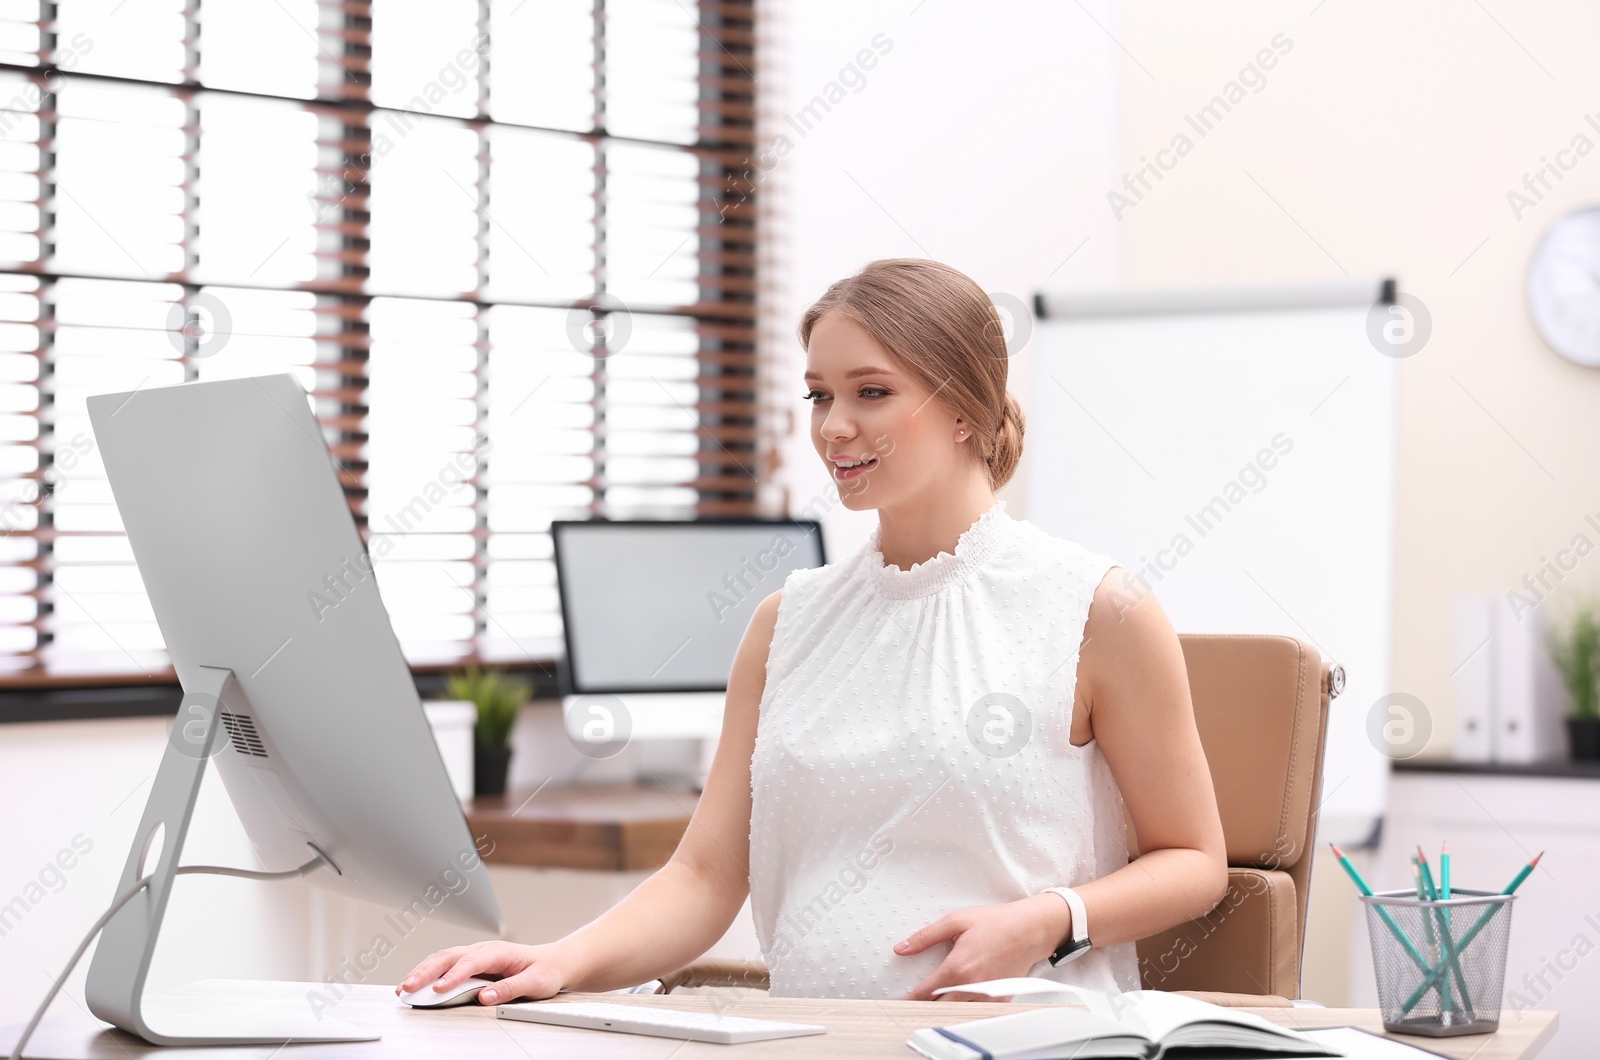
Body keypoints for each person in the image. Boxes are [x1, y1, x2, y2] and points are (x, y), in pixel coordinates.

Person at [398, 257, 1227, 1004]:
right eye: (819, 394)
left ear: (966, 408)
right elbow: (704, 874)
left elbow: (1194, 860)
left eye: (871, 392)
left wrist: (1051, 918)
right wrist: (558, 960)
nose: (833, 426)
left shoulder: (1097, 610)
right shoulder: (785, 622)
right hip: (805, 1044)